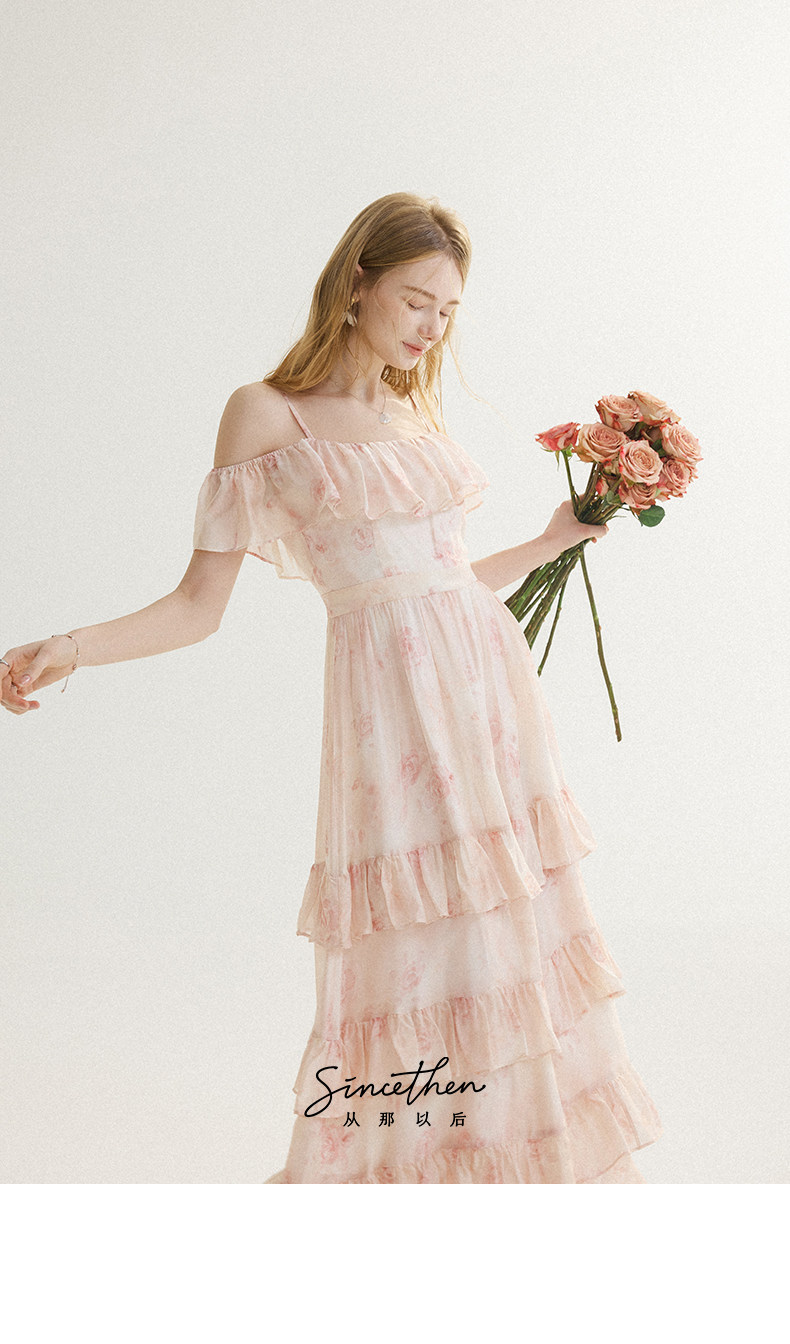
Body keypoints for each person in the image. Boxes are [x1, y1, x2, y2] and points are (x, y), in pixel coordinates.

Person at [1, 191, 662, 1182]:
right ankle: (390, 1184)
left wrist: (548, 540)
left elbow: (441, 579)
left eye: (448, 310)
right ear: (357, 283)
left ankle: (514, 1180)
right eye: (415, 300)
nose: (431, 327)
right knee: (417, 949)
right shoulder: (267, 414)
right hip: (393, 718)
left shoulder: (412, 411)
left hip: (486, 699)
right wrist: (73, 646)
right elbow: (198, 605)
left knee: (503, 938)